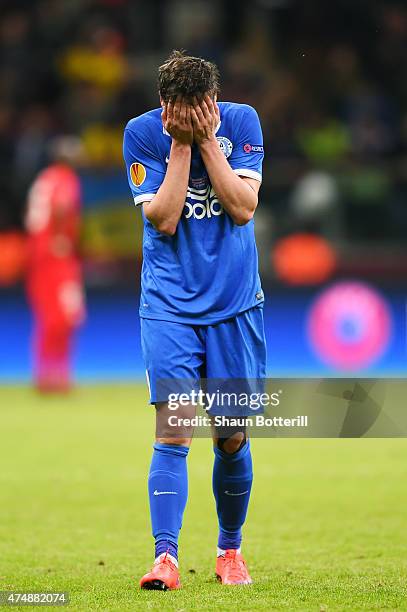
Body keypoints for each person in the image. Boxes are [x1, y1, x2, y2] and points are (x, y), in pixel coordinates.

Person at [123, 50, 266, 589]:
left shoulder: (242, 121)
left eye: (196, 109)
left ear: (212, 101)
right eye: (175, 110)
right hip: (169, 306)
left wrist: (205, 140)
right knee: (174, 428)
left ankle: (230, 551)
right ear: (164, 106)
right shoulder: (142, 133)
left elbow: (242, 207)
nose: (183, 116)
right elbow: (160, 218)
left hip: (233, 304)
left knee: (230, 437)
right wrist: (180, 145)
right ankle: (164, 558)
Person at [25, 137, 85, 393]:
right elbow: (62, 206)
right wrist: (61, 237)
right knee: (66, 315)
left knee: (47, 315)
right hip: (57, 256)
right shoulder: (64, 178)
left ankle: (45, 375)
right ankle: (58, 376)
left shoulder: (44, 178)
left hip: (38, 255)